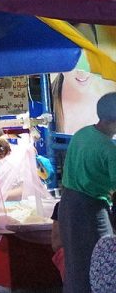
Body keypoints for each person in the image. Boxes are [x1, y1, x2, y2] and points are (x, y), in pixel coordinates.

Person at [59, 91, 116, 293]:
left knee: (76, 266)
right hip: (90, 212)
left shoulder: (82, 133)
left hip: (67, 206)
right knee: (101, 265)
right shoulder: (109, 148)